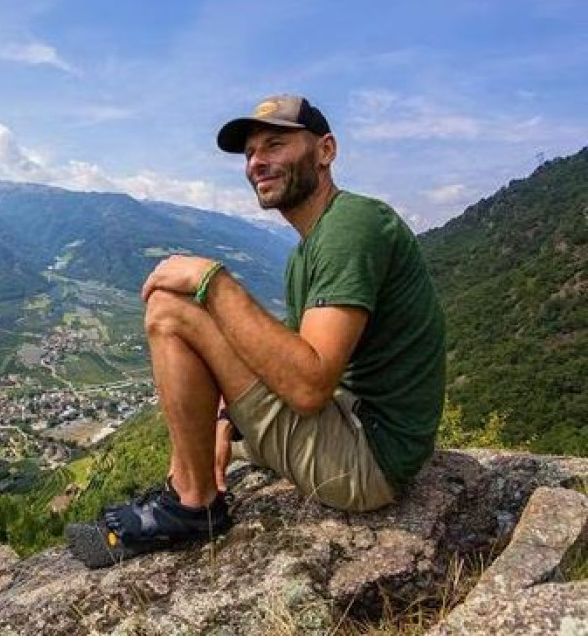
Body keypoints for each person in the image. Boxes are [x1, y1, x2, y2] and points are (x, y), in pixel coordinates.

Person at [66, 94, 446, 569]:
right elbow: (278, 358)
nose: (257, 163)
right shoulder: (311, 249)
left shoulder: (353, 225)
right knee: (205, 374)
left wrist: (213, 281)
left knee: (169, 308)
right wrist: (226, 421)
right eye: (249, 153)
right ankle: (189, 482)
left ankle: (191, 504)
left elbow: (308, 386)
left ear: (325, 150)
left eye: (275, 145)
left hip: (367, 460)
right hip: (357, 427)